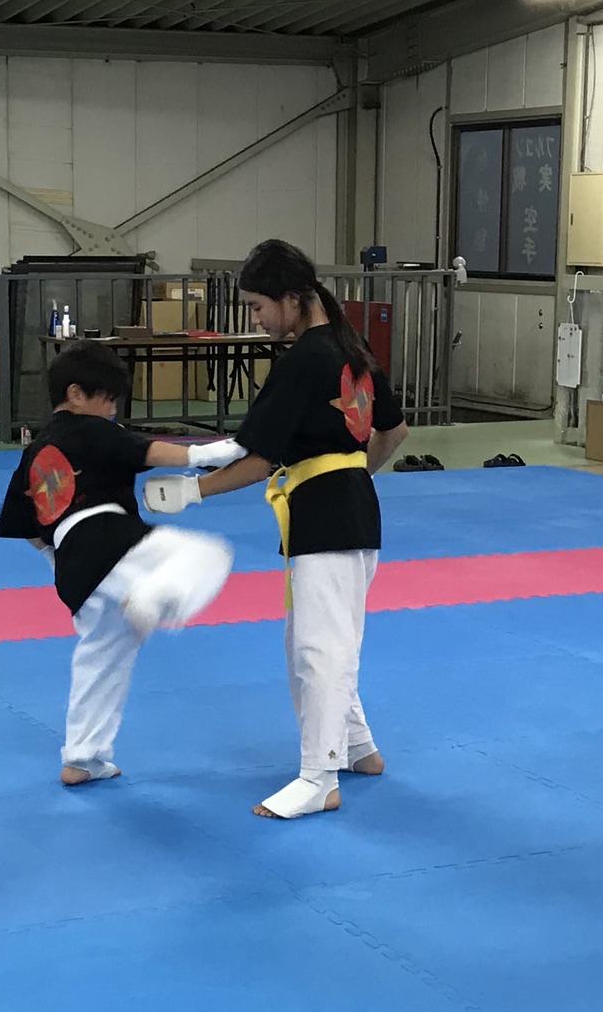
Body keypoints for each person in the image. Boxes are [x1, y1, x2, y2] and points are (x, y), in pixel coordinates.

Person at [145, 239, 409, 818]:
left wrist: (191, 490)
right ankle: (358, 747)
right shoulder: (352, 347)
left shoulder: (306, 359)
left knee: (320, 648)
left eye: (259, 306)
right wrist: (352, 475)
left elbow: (255, 454)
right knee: (316, 639)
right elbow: (393, 431)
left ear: (292, 299)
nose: (256, 319)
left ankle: (320, 777)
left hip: (325, 516)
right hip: (350, 509)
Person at [0, 341, 236, 787]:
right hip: (107, 536)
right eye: (106, 398)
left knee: (101, 659)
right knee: (208, 553)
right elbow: (149, 451)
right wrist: (217, 452)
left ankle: (82, 758)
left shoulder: (34, 452)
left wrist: (55, 559)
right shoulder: (84, 428)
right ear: (75, 394)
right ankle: (151, 595)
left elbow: (23, 523)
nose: (111, 409)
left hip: (71, 568)